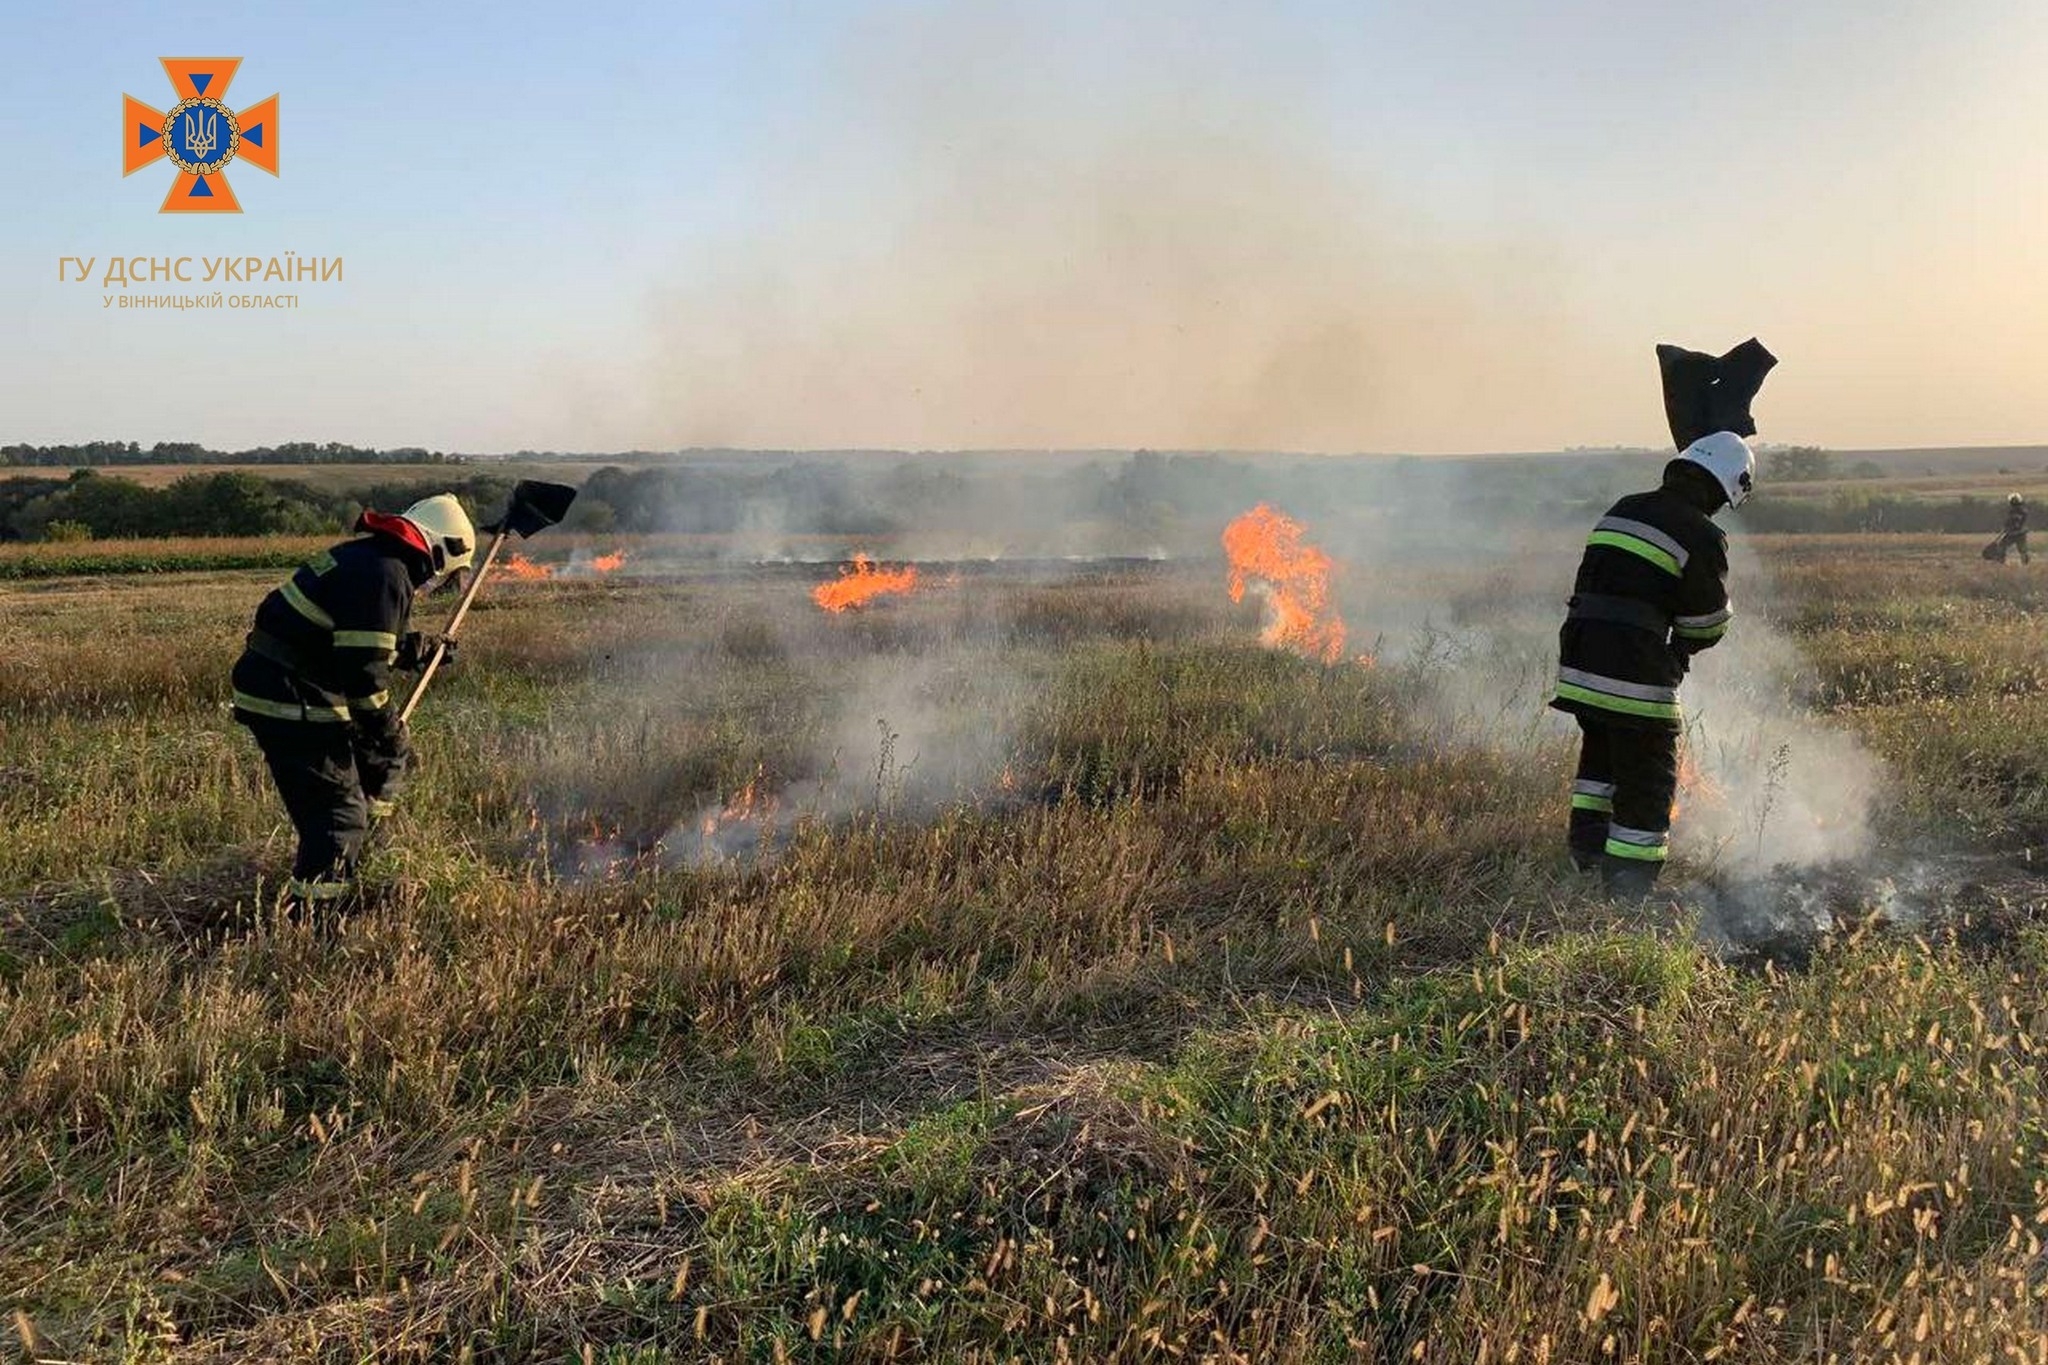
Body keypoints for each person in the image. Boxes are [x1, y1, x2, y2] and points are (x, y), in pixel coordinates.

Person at [1552, 339, 1775, 896]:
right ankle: (1627, 886)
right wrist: (1687, 640)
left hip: (1580, 665)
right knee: (1648, 777)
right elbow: (1704, 624)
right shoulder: (1702, 534)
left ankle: (1585, 854)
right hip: (1635, 672)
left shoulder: (1624, 506)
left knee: (1600, 760)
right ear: (1726, 489)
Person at [230, 495, 474, 907]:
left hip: (287, 687)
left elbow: (360, 639)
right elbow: (363, 676)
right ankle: (317, 919)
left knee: (367, 771)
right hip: (293, 698)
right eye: (443, 574)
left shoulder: (370, 559)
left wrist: (421, 650)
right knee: (336, 817)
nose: (435, 583)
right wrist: (386, 728)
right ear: (439, 549)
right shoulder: (386, 574)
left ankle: (363, 857)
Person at [1997, 494, 2030, 565]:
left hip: (2015, 533)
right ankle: (2025, 564)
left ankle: (2001, 562)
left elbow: (2015, 522)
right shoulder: (2021, 510)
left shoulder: (2017, 511)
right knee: (2022, 550)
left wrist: (2008, 527)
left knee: (2002, 546)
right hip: (2018, 533)